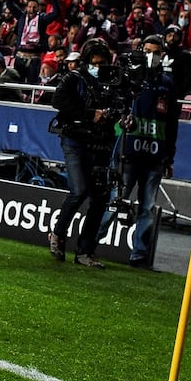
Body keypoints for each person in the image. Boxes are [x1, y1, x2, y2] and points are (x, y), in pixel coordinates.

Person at [47, 39, 118, 269]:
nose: (99, 66)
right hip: (75, 139)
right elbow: (57, 100)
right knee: (79, 191)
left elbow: (118, 107)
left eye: (103, 62)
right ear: (86, 62)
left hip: (100, 141)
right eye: (95, 62)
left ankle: (85, 251)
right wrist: (90, 114)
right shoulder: (74, 78)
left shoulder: (113, 82)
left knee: (99, 198)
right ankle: (58, 234)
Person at [121, 34, 178, 269]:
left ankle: (139, 254)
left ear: (162, 55)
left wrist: (169, 157)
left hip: (155, 156)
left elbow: (173, 122)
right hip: (129, 153)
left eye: (156, 52)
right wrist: (119, 132)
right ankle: (89, 243)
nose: (151, 56)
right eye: (147, 51)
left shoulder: (168, 84)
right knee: (116, 200)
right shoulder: (130, 79)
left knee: (147, 207)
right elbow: (118, 114)